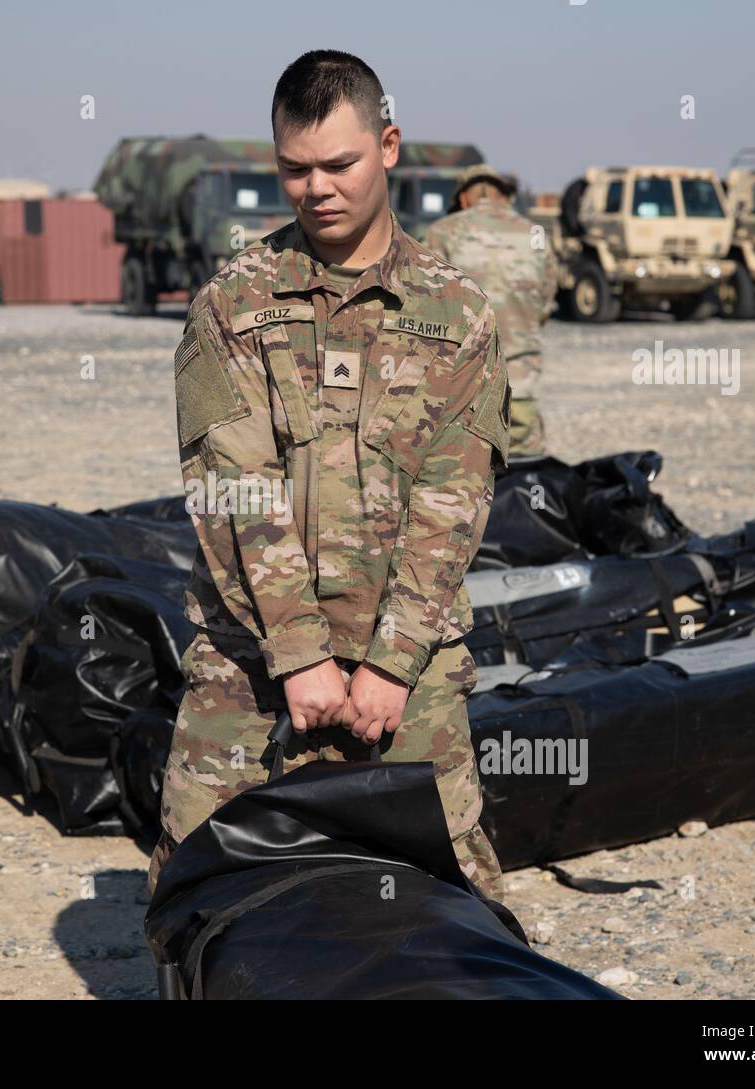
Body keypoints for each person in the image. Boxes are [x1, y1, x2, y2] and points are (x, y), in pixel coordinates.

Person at [151, 50, 510, 902]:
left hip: (408, 668)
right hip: (250, 662)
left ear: (388, 146)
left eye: (339, 164)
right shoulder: (232, 302)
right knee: (194, 890)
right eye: (294, 169)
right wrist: (301, 653)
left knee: (455, 898)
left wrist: (389, 663)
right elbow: (233, 487)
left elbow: (452, 505)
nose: (316, 189)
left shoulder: (458, 314)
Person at [425, 165, 557, 457]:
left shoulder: (443, 231)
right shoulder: (534, 233)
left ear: (462, 198)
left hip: (463, 378)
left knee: (463, 466)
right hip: (521, 374)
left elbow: (427, 303)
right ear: (505, 196)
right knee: (525, 465)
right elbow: (546, 303)